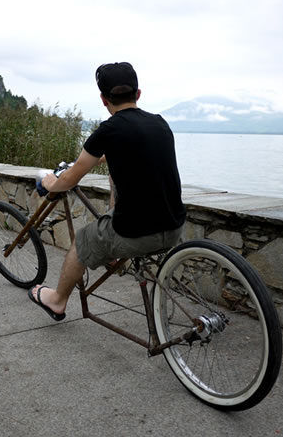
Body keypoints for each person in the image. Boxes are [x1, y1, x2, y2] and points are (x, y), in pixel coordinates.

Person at [28, 62, 186, 321]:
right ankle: (114, 255)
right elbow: (134, 152)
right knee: (116, 188)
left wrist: (48, 182)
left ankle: (57, 301)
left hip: (137, 234)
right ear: (138, 94)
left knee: (83, 240)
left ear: (103, 100)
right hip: (174, 228)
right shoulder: (160, 123)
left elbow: (70, 178)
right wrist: (105, 159)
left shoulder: (107, 131)